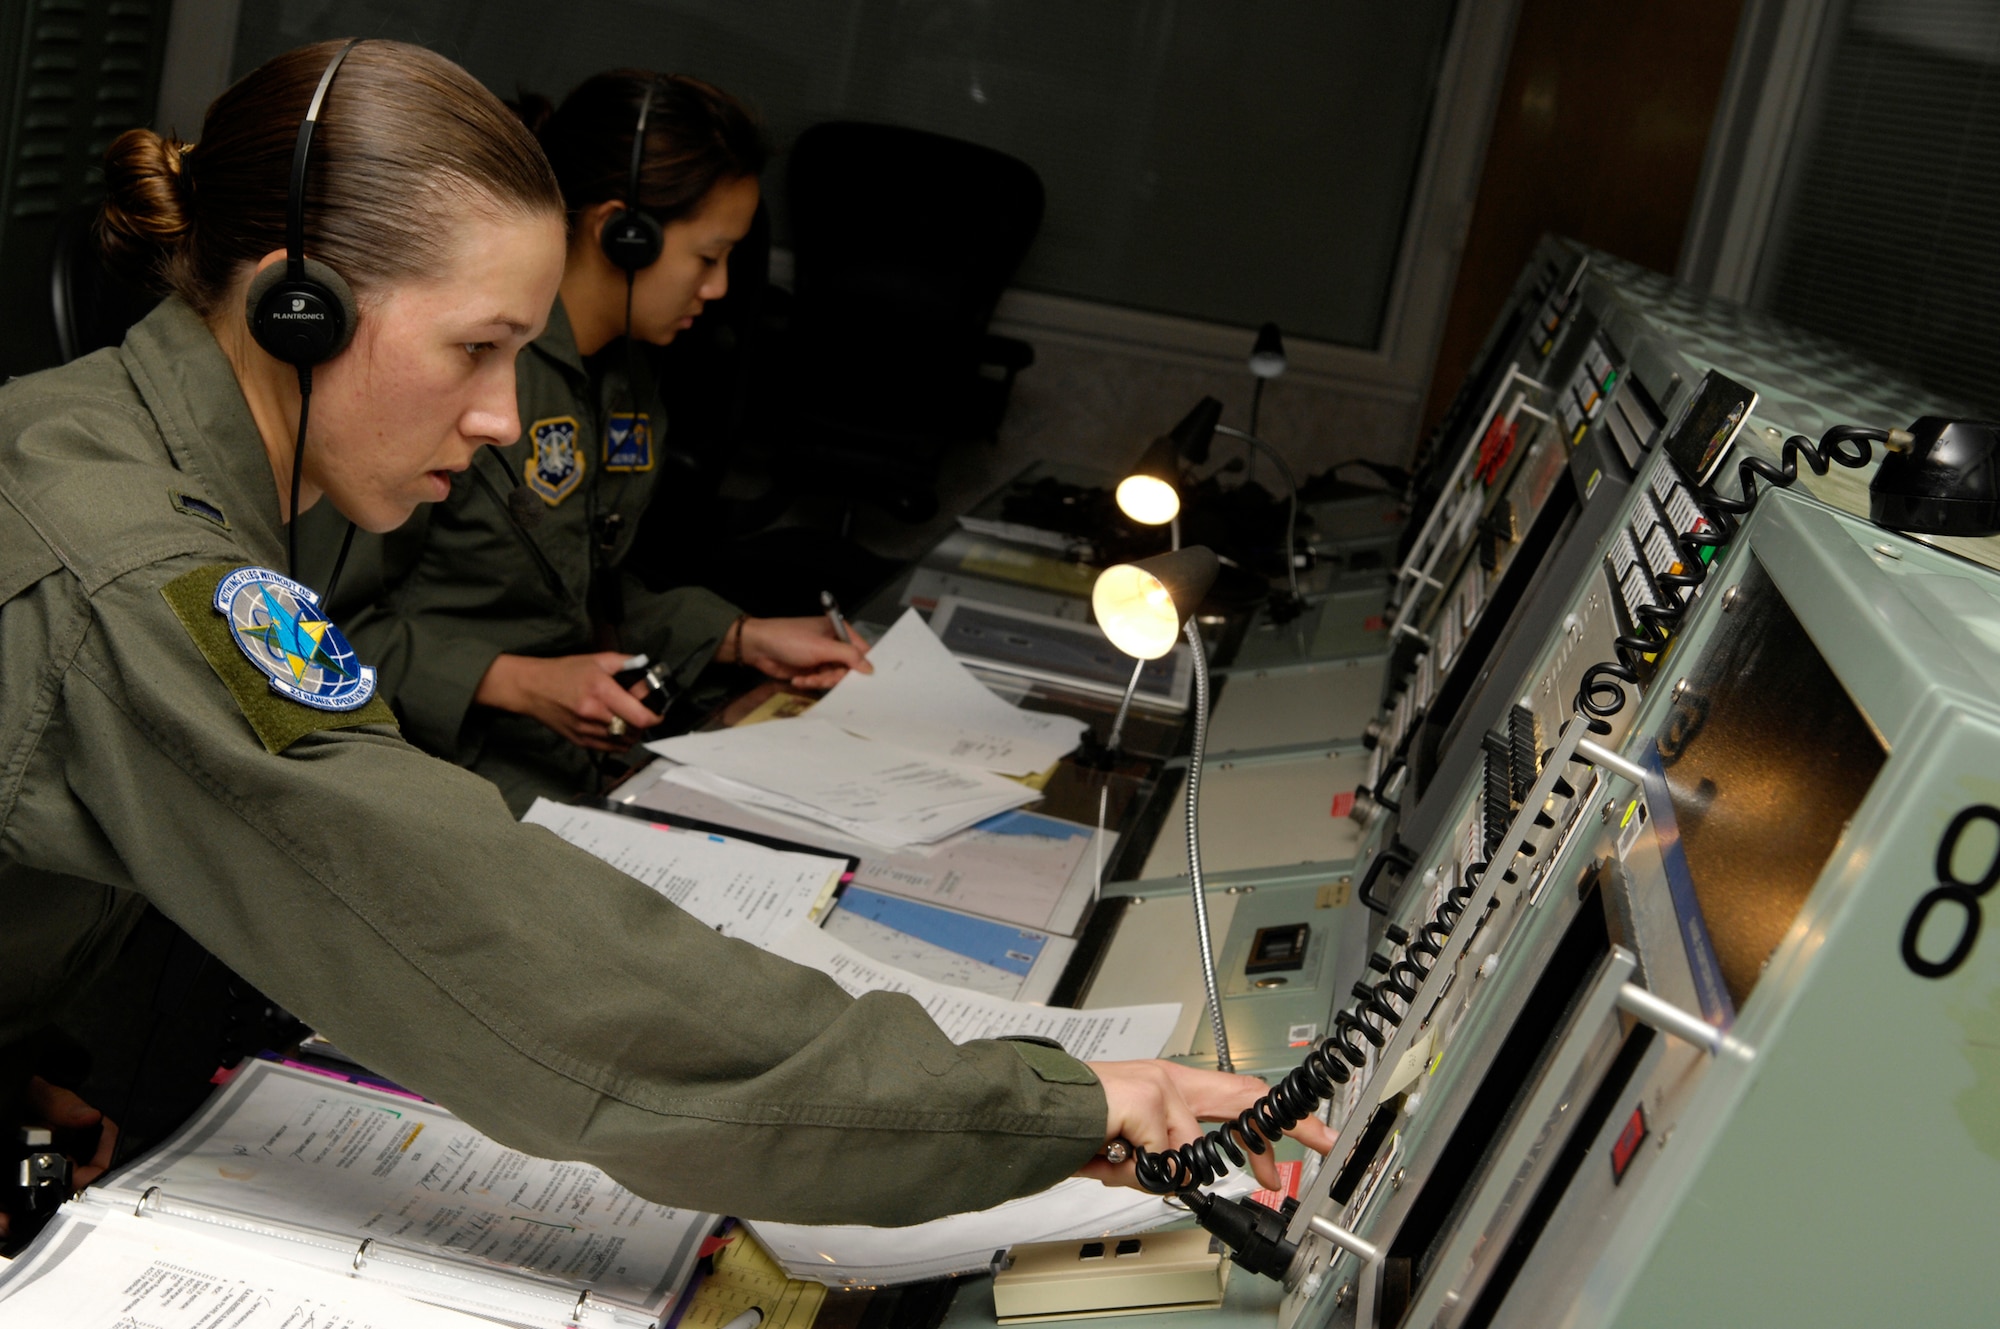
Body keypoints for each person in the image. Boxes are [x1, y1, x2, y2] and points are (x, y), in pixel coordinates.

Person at [0, 38, 1331, 1227]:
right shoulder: (145, 567)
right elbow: (495, 946)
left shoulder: (124, 444)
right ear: (302, 308)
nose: (504, 418)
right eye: (476, 350)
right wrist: (1045, 1106)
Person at [296, 69, 857, 815]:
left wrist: (740, 637)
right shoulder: (454, 373)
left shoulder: (624, 376)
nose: (719, 289)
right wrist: (513, 680)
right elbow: (304, 631)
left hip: (563, 750)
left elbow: (576, 587)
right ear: (623, 234)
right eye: (708, 256)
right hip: (427, 757)